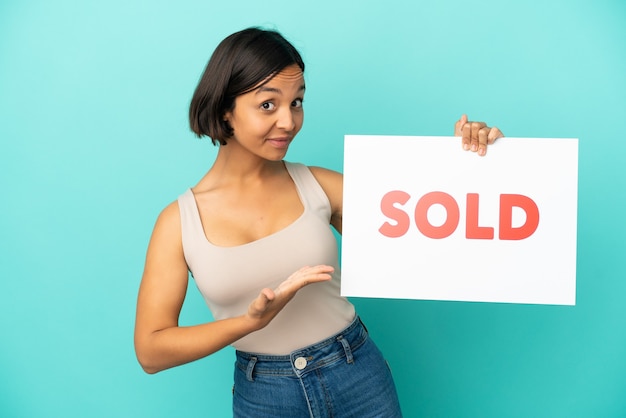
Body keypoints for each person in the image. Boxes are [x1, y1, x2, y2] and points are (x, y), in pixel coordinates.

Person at [133, 27, 503, 418]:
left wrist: (474, 158)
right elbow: (152, 350)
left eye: (297, 102)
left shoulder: (319, 186)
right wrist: (248, 322)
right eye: (267, 105)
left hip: (357, 375)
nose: (288, 121)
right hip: (265, 396)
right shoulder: (178, 223)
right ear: (225, 109)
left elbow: (441, 225)